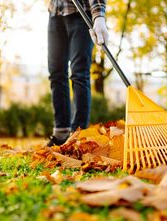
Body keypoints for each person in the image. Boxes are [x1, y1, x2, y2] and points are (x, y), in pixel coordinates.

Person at [47, 0, 109, 146]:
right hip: (55, 12)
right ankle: (61, 134)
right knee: (56, 74)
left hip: (81, 12)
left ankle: (79, 136)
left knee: (79, 74)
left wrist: (99, 16)